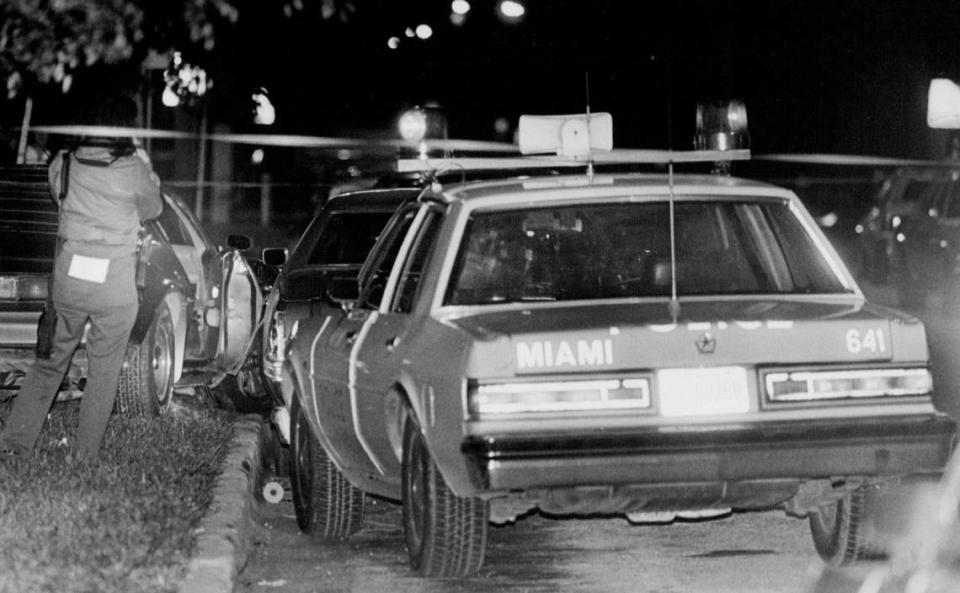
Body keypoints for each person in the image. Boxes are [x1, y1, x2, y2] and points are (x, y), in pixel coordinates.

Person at [0, 95, 163, 461]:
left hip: (69, 280)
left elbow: (60, 199)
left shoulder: (64, 163)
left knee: (49, 363)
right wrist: (146, 167)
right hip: (113, 284)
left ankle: (14, 445)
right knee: (103, 375)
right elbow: (153, 209)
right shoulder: (133, 169)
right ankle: (84, 456)